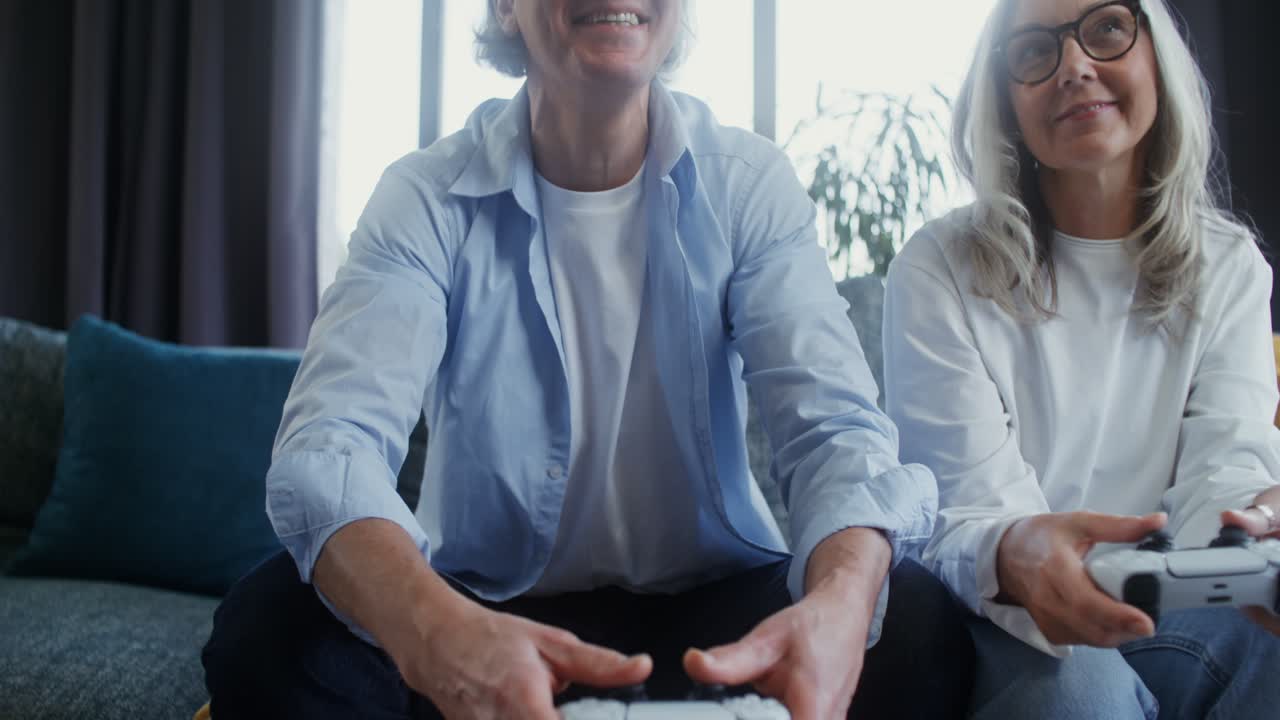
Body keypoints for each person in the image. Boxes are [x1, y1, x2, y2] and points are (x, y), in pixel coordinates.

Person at [202, 1, 970, 718]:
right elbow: (328, 451)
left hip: (716, 612)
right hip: (483, 610)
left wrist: (837, 604)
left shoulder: (748, 184)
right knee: (268, 631)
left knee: (913, 620)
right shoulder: (425, 197)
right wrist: (436, 632)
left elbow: (834, 433)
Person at [882, 0, 1280, 717]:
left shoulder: (1229, 265)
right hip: (1007, 617)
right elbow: (968, 509)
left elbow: (1226, 470)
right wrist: (1021, 553)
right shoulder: (939, 267)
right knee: (1081, 692)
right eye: (1034, 51)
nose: (1074, 66)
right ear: (1006, 101)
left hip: (1170, 604)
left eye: (1107, 29)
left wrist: (1252, 522)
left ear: (1157, 57)